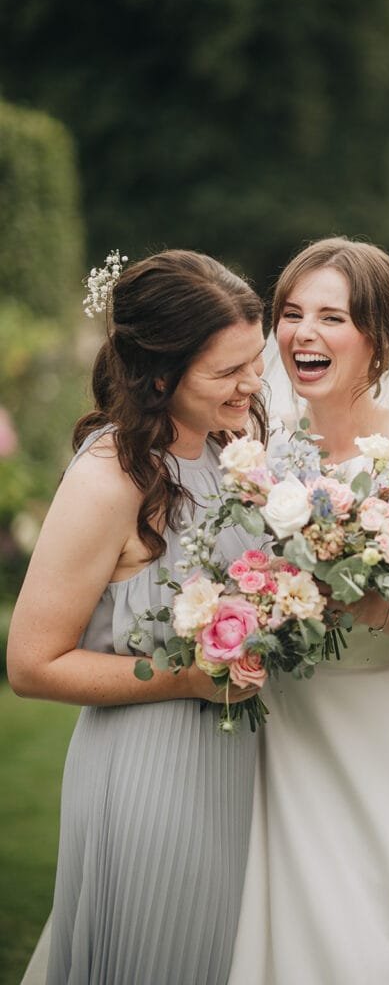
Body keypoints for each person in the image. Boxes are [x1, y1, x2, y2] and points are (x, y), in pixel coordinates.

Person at [8, 249, 268, 985]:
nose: (252, 385)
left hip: (232, 760)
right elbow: (31, 664)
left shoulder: (230, 445)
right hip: (152, 767)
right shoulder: (109, 480)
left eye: (256, 360)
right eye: (227, 373)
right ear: (160, 374)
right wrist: (187, 679)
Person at [227, 237, 389, 985]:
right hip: (272, 723)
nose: (303, 334)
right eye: (291, 314)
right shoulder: (256, 450)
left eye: (331, 317)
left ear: (377, 339)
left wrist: (362, 601)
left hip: (379, 728)